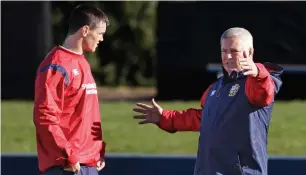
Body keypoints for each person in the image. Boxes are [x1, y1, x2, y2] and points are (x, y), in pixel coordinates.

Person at [133, 27, 283, 175]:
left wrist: (258, 73)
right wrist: (164, 117)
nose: (228, 57)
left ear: (250, 52)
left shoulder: (256, 82)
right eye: (224, 51)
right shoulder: (215, 87)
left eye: (234, 51)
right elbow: (202, 118)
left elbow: (264, 93)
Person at [33, 4, 109, 175]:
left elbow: (87, 114)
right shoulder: (56, 66)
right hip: (67, 167)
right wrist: (69, 156)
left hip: (88, 164)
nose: (102, 39)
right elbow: (45, 118)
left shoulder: (82, 62)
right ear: (85, 30)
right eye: (100, 33)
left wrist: (97, 151)